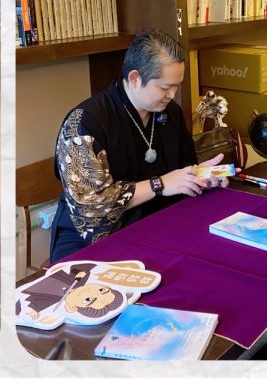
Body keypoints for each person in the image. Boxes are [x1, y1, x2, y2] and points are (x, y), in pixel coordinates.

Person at [48, 29, 227, 263]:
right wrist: (160, 184)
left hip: (156, 224)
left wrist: (200, 177)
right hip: (92, 240)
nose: (172, 95)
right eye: (165, 87)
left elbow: (184, 167)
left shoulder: (170, 113)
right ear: (134, 78)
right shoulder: (85, 123)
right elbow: (93, 207)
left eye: (177, 86)